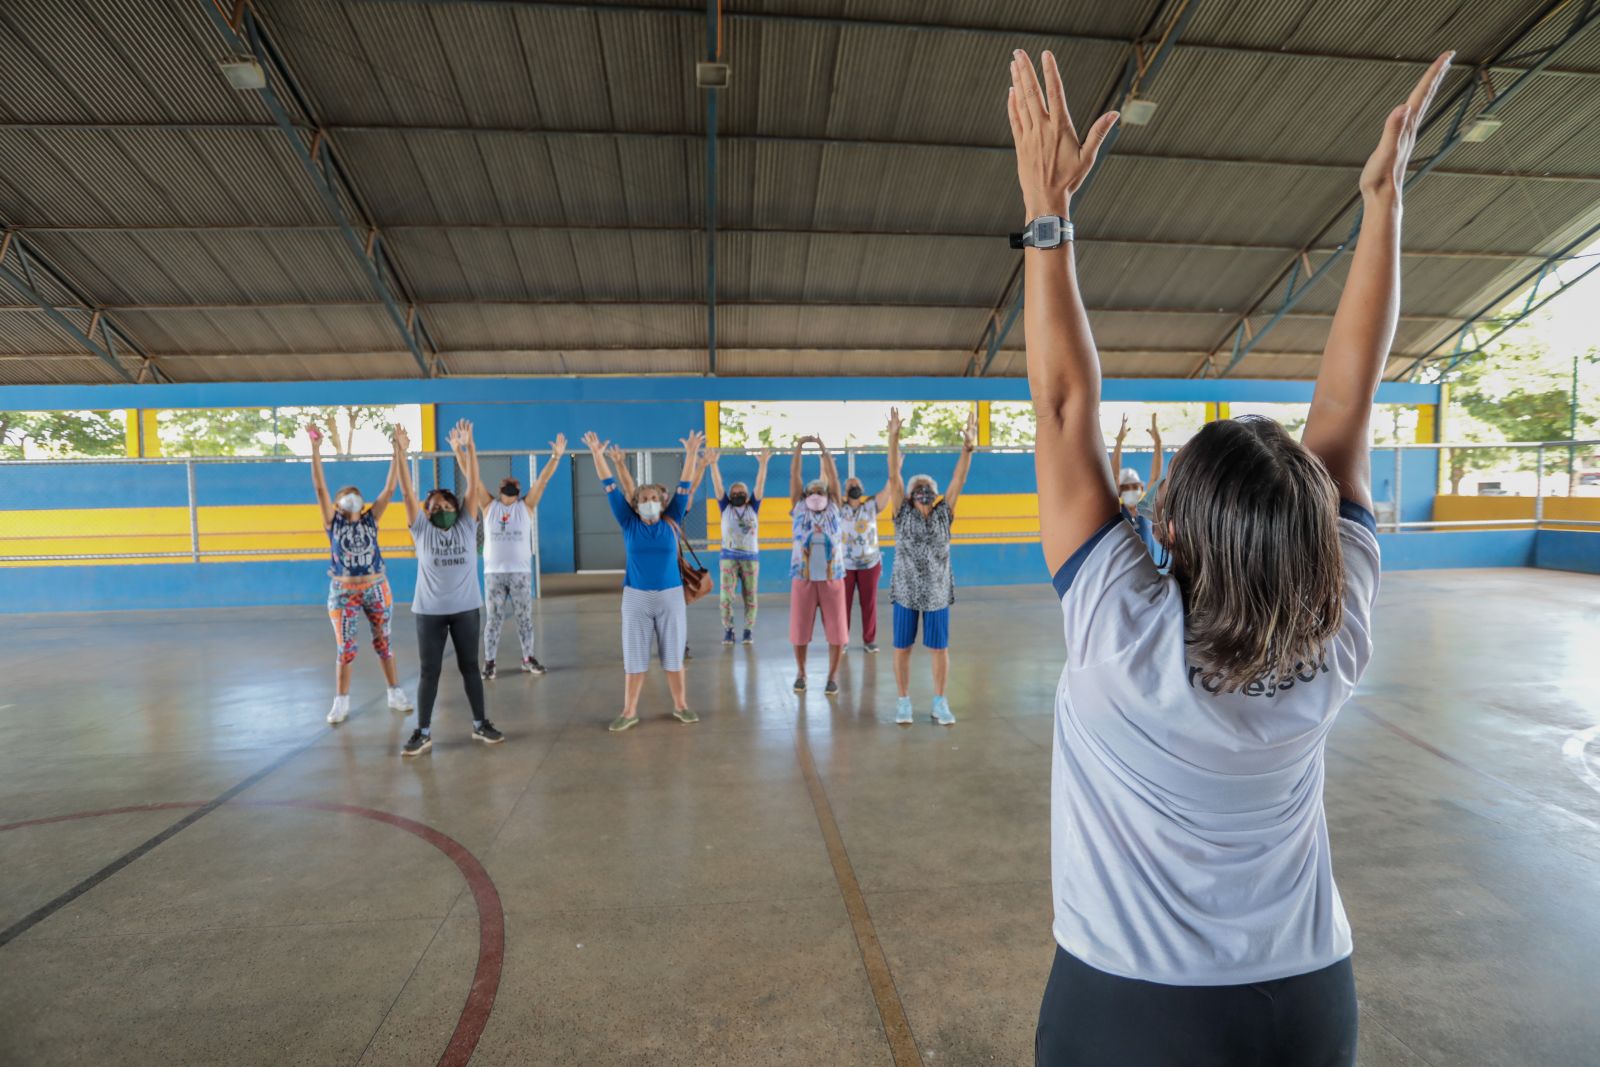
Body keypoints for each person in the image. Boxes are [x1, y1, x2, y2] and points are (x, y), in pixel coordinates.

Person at [1008, 47, 1451, 1065]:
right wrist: (1381, 206)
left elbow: (1065, 401)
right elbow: (1347, 400)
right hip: (1303, 1001)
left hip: (1130, 1007)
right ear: (1311, 540)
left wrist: (1050, 213)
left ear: (1165, 528)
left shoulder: (1123, 631)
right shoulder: (1331, 631)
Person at [394, 421, 504, 756]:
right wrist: (399, 450)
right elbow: (407, 490)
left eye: (446, 505)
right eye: (435, 507)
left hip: (465, 609)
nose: (440, 509)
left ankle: (480, 723)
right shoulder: (422, 531)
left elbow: (473, 483)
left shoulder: (467, 525)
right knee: (430, 671)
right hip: (428, 612)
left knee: (470, 667)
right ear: (426, 514)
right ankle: (423, 731)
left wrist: (469, 447)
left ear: (457, 508)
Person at [584, 429, 703, 731]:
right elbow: (609, 485)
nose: (649, 501)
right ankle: (629, 710)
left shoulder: (672, 519)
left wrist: (691, 454)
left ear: (663, 504)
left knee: (674, 655)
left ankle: (681, 705)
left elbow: (686, 484)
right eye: (644, 499)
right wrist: (598, 456)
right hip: (635, 597)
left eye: (654, 498)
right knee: (634, 657)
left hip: (671, 596)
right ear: (635, 505)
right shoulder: (628, 522)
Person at [310, 423, 412, 724]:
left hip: (376, 587)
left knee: (385, 640)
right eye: (346, 494)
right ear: (338, 503)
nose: (351, 496)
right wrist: (316, 451)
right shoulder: (334, 523)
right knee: (345, 647)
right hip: (343, 591)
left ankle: (395, 691)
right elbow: (319, 488)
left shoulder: (371, 518)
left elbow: (390, 489)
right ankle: (340, 701)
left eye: (355, 493)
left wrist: (397, 449)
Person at [885, 406, 977, 726]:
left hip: (937, 592)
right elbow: (893, 477)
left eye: (928, 489)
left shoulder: (943, 513)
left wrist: (967, 449)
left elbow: (959, 478)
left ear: (935, 495)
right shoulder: (902, 513)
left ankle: (940, 701)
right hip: (906, 592)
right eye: (917, 489)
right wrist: (893, 437)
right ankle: (904, 702)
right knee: (903, 647)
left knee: (939, 648)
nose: (923, 492)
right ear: (910, 496)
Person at [480, 433, 566, 680]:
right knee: (493, 619)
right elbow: (472, 479)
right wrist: (463, 452)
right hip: (494, 574)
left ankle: (528, 658)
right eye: (507, 481)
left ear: (519, 490)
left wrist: (556, 457)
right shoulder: (488, 507)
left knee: (524, 618)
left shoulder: (525, 507)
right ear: (499, 489)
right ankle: (489, 662)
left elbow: (542, 480)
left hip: (519, 573)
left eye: (515, 482)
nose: (511, 482)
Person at [787, 434, 847, 696]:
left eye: (819, 491)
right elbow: (794, 477)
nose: (815, 494)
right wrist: (799, 448)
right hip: (803, 578)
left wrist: (823, 448)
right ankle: (801, 672)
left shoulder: (835, 507)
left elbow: (833, 479)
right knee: (799, 630)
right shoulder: (799, 507)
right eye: (811, 491)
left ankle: (833, 676)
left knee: (837, 632)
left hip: (833, 579)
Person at [708, 446, 773, 645]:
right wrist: (713, 464)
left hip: (750, 559)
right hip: (728, 558)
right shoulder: (725, 507)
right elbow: (717, 485)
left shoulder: (753, 507)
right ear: (729, 495)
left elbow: (760, 484)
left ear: (746, 495)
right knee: (726, 597)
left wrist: (763, 464)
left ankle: (747, 630)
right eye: (734, 492)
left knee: (750, 597)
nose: (737, 494)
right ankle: (728, 630)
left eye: (741, 492)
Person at [840, 463, 891, 653]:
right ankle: (842, 640)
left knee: (868, 603)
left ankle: (869, 640)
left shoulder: (870, 506)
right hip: (844, 565)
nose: (854, 487)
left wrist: (894, 470)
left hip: (870, 564)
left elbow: (888, 490)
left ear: (862, 489)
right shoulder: (839, 508)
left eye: (857, 484)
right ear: (845, 491)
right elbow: (831, 487)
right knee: (842, 605)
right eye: (850, 485)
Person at [1110, 413, 1165, 560]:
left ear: (1141, 488)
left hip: (1150, 576)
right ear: (1119, 491)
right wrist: (1119, 442)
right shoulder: (1116, 512)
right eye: (1126, 488)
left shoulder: (1145, 510)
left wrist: (1158, 443)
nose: (1131, 490)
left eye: (1135, 486)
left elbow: (1155, 477)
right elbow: (1113, 478)